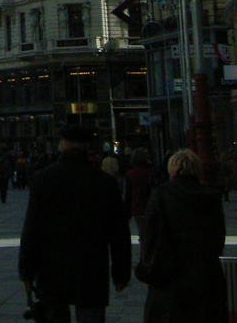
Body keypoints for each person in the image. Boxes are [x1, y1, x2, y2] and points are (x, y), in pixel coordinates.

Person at [19, 123, 131, 323]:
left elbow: (32, 228)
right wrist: (121, 272)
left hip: (52, 268)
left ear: (62, 145)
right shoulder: (105, 182)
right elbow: (119, 232)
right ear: (88, 146)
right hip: (92, 268)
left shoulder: (43, 179)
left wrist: (26, 269)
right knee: (91, 315)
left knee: (55, 315)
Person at [137, 148, 227, 323]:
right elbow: (218, 240)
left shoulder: (162, 195)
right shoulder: (211, 197)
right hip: (206, 278)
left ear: (173, 169)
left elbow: (151, 237)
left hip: (170, 280)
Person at [123, 148, 152, 239]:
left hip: (137, 207)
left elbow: (128, 195)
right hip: (150, 205)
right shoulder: (151, 172)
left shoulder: (130, 174)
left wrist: (127, 214)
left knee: (142, 232)